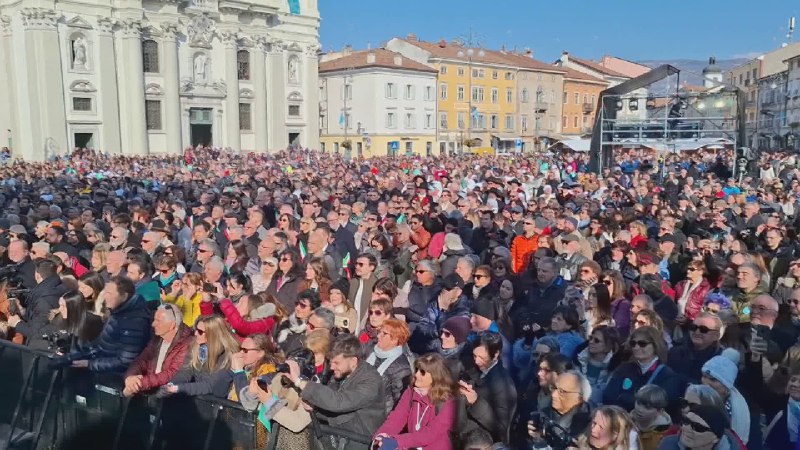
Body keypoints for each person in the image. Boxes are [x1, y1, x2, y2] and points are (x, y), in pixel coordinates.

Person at [286, 333, 388, 450]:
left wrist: (301, 382)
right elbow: (328, 396)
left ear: (353, 361)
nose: (331, 367)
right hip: (338, 436)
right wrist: (314, 405)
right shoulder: (340, 373)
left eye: (336, 363)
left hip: (360, 440)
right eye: (330, 361)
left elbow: (338, 402)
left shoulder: (370, 381)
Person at [62, 276, 152, 372]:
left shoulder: (133, 323)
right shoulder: (118, 311)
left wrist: (90, 364)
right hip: (101, 361)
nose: (105, 297)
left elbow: (125, 362)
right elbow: (102, 343)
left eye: (109, 293)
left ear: (124, 296)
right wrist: (78, 352)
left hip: (115, 376)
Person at [372, 353, 457, 450]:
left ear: (435, 376)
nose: (416, 374)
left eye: (422, 372)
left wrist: (396, 441)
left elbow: (431, 433)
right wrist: (383, 434)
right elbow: (398, 417)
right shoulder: (411, 391)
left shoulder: (448, 402)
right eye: (416, 370)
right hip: (412, 446)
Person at [603, 326, 682, 414]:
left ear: (655, 345)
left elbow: (659, 406)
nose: (636, 347)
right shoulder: (624, 368)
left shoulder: (667, 375)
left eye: (642, 343)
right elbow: (608, 397)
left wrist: (624, 398)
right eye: (633, 343)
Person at [123, 303, 193, 397]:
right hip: (149, 389)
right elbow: (142, 360)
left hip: (168, 398)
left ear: (172, 325)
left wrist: (141, 382)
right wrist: (130, 377)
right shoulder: (157, 339)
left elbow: (171, 373)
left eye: (158, 321)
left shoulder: (187, 343)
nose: (153, 324)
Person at [460, 332, 517, 445]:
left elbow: (501, 428)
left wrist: (476, 402)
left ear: (496, 354)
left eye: (482, 357)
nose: (477, 361)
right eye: (475, 356)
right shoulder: (474, 369)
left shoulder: (504, 385)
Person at [165, 315, 240, 397]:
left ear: (212, 335)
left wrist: (178, 388)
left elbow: (209, 386)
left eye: (200, 332)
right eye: (195, 330)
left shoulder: (227, 357)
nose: (195, 333)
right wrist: (172, 383)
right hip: (199, 397)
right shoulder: (195, 346)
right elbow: (185, 371)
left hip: (218, 402)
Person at [9, 259, 71, 342]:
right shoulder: (62, 287)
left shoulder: (44, 300)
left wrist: (17, 323)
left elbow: (37, 333)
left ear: (37, 275)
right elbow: (38, 318)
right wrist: (22, 311)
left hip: (42, 349)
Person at [526, 371, 592, 449]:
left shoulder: (589, 428)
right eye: (554, 388)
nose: (553, 395)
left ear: (580, 399)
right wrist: (537, 439)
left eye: (562, 392)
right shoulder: (544, 414)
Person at [411, 272, 471, 354]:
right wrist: (436, 331)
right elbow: (422, 327)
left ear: (458, 292)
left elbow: (451, 333)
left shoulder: (463, 309)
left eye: (449, 289)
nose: (444, 291)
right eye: (444, 287)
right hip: (431, 344)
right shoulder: (436, 302)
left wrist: (443, 310)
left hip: (452, 351)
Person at [700, 350, 750, 444]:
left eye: (713, 379)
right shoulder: (695, 395)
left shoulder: (734, 409)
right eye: (704, 376)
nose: (705, 382)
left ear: (726, 386)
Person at [365, 318, 413, 414]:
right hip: (362, 404)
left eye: (384, 334)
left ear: (396, 339)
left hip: (379, 415)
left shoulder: (401, 368)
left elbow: (399, 403)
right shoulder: (371, 351)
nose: (378, 336)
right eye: (379, 332)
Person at [30, 291, 103, 352]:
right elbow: (34, 341)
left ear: (74, 307)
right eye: (60, 305)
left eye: (64, 306)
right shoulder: (57, 320)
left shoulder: (93, 322)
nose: (60, 309)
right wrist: (55, 348)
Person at [667, 312, 724, 386]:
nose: (697, 332)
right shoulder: (674, 352)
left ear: (716, 336)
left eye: (703, 329)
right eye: (693, 327)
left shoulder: (722, 361)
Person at [229, 333, 282, 411]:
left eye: (245, 350)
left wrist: (239, 372)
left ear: (260, 353)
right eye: (240, 349)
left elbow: (245, 401)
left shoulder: (268, 373)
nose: (240, 353)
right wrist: (232, 371)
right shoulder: (246, 369)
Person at [657, 404, 746, 450]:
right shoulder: (669, 444)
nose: (687, 429)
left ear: (716, 438)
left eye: (698, 427)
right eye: (686, 422)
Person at [576, 325, 621, 407]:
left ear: (609, 346)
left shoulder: (617, 369)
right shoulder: (578, 360)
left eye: (597, 340)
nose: (591, 342)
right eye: (590, 338)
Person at [631, 385, 672, 450]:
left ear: (660, 411)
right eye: (638, 403)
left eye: (647, 407)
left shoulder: (666, 435)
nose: (640, 409)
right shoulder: (623, 421)